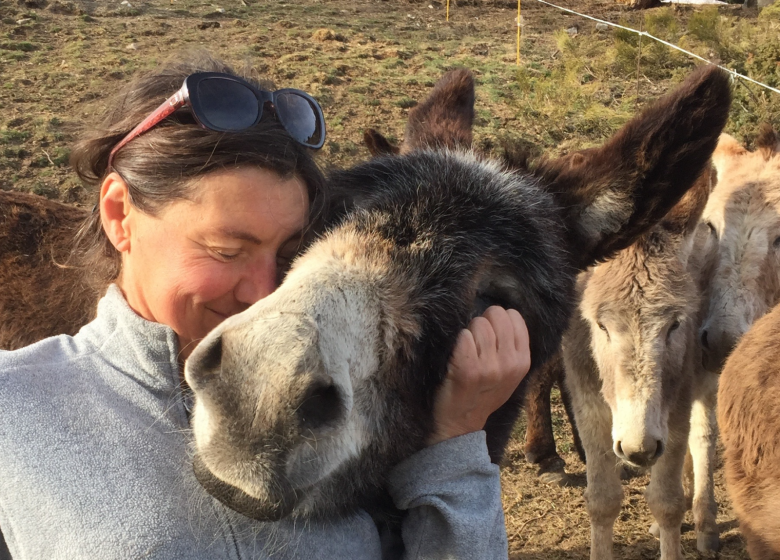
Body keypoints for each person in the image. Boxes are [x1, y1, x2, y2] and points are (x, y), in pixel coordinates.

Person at [0, 53, 531, 559]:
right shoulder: (14, 406)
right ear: (119, 215)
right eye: (226, 250)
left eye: (290, 252)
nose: (263, 293)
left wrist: (456, 450)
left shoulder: (354, 400)